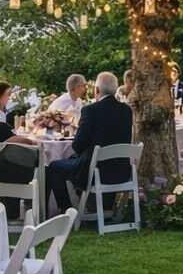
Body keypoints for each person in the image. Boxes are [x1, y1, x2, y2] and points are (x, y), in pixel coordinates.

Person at [47, 71, 132, 215]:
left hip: (94, 172)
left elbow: (77, 146)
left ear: (97, 90)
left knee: (54, 167)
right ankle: (105, 210)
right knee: (79, 162)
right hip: (122, 170)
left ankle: (67, 211)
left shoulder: (91, 110)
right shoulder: (127, 111)